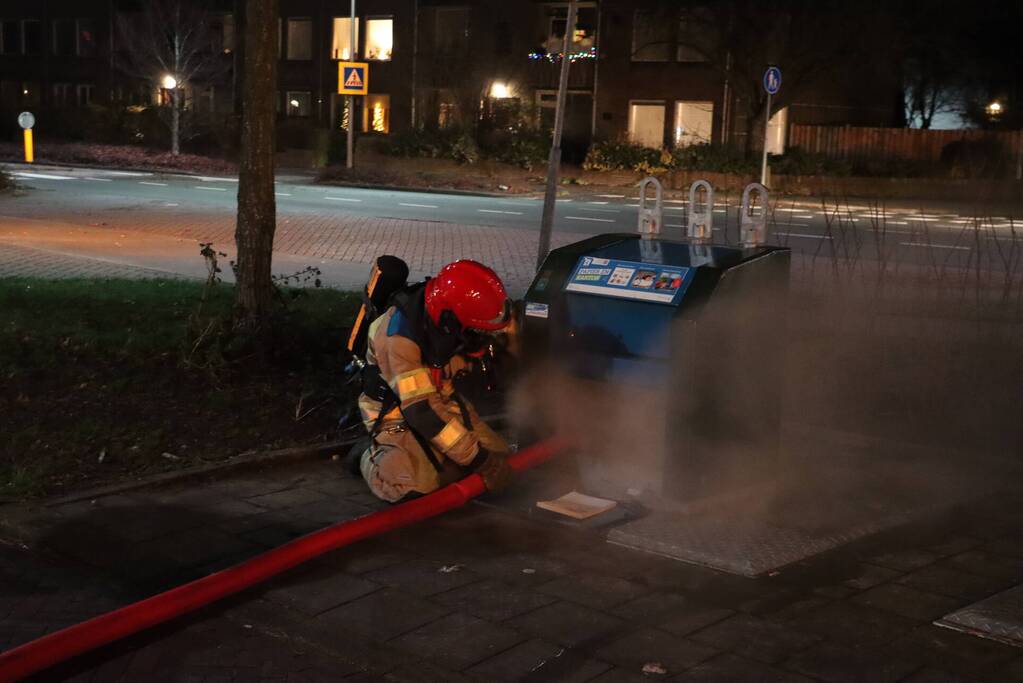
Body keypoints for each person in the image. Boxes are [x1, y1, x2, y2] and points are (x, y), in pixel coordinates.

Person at [353, 260, 515, 502]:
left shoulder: (443, 317)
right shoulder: (398, 338)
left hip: (439, 398)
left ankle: (439, 459)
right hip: (397, 413)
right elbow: (422, 412)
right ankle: (367, 457)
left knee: (500, 456)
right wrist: (478, 460)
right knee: (415, 487)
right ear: (452, 320)